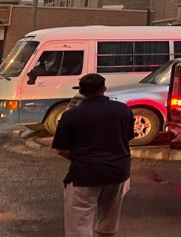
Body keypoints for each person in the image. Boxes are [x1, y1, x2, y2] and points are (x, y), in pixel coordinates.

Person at [52, 73, 134, 237]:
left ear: (81, 91)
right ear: (104, 88)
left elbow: (62, 149)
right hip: (118, 172)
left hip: (84, 174)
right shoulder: (123, 110)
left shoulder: (71, 116)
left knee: (79, 225)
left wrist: (82, 158)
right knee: (108, 224)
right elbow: (128, 138)